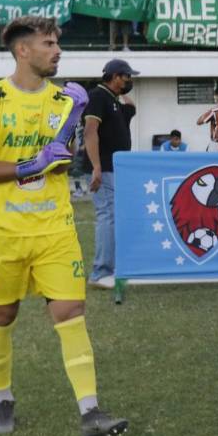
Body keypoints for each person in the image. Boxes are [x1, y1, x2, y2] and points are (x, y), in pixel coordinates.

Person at [0, 16, 127, 436]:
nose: (58, 51)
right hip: (2, 228)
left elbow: (59, 159)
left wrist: (72, 119)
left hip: (54, 226)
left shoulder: (63, 100)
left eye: (57, 43)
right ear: (23, 50)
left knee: (70, 311)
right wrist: (29, 165)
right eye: (49, 44)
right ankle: (2, 397)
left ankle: (90, 411)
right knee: (2, 314)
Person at [83, 58, 138, 289]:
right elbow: (90, 132)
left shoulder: (113, 99)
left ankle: (111, 268)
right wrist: (96, 166)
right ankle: (100, 272)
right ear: (115, 76)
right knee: (107, 216)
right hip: (103, 167)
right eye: (127, 76)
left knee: (114, 216)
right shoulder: (98, 96)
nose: (129, 81)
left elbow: (131, 108)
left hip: (115, 168)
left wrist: (123, 94)